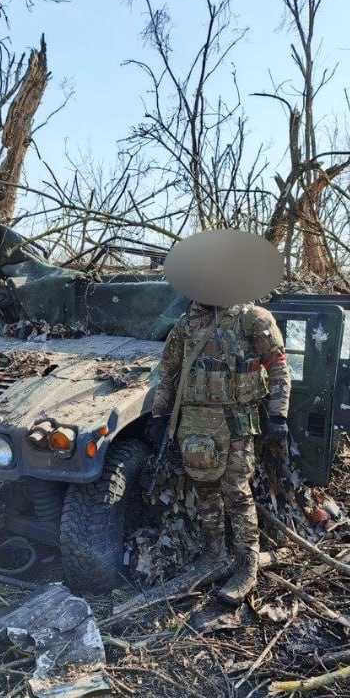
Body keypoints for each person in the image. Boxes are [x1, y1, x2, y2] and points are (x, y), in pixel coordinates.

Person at [145, 230, 291, 606]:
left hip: (235, 422)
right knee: (205, 492)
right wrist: (159, 414)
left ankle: (246, 567)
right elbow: (168, 372)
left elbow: (278, 368)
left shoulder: (253, 319)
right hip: (194, 425)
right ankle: (214, 554)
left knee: (237, 495)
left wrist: (279, 414)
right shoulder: (186, 324)